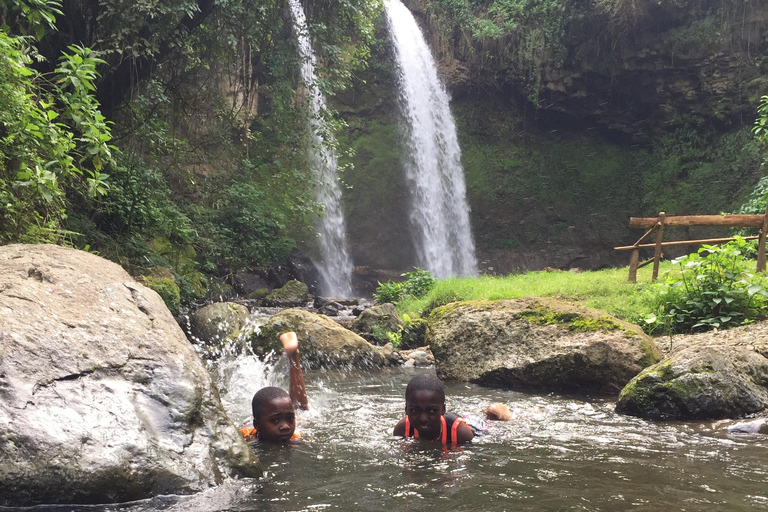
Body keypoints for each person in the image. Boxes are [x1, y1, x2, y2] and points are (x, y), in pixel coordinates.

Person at [240, 331, 309, 443]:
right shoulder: (245, 436)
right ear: (257, 425)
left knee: (301, 410)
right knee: (299, 410)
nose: (285, 426)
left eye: (290, 419)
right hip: (251, 422)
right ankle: (293, 356)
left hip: (267, 414)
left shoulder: (295, 436)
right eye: (275, 420)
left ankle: (294, 356)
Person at [393, 374, 474, 445]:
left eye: (432, 411)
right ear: (406, 409)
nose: (423, 419)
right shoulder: (402, 429)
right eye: (415, 410)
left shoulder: (460, 433)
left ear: (443, 410)